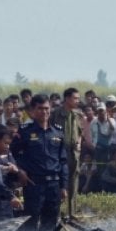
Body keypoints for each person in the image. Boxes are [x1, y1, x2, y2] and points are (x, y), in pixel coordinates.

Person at [10, 94, 68, 231]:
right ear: (33, 110)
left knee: (50, 222)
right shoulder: (25, 131)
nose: (44, 112)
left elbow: (63, 161)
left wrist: (64, 186)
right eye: (40, 109)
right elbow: (12, 154)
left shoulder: (58, 131)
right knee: (31, 220)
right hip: (33, 183)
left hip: (54, 184)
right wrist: (20, 171)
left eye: (47, 108)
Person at [49, 87, 82, 217]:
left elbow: (80, 132)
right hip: (59, 152)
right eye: (75, 98)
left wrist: (79, 143)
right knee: (60, 182)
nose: (77, 101)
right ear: (67, 98)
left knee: (74, 182)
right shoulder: (55, 113)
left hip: (74, 153)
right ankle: (57, 212)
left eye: (78, 98)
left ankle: (71, 213)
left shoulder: (76, 115)